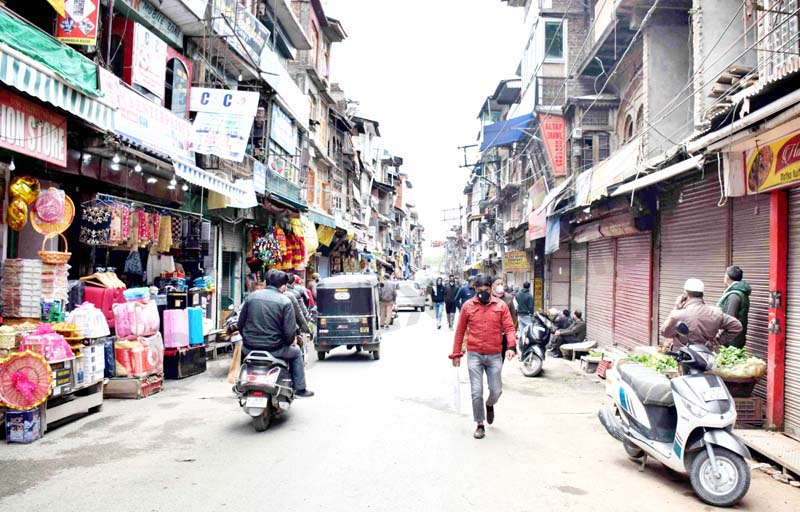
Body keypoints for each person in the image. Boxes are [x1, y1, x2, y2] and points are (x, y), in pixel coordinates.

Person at [450, 274, 517, 440]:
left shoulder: (501, 306)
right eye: (479, 291)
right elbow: (460, 331)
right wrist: (456, 353)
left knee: (496, 390)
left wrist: (511, 346)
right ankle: (480, 423)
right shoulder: (467, 307)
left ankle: (489, 404)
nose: (483, 294)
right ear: (474, 289)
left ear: (491, 289)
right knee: (476, 391)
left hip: (494, 354)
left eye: (486, 290)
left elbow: (509, 327)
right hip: (474, 354)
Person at [237, 269, 314, 397]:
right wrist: (291, 341)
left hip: (250, 347)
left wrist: (248, 339)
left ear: (266, 282)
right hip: (275, 348)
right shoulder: (285, 301)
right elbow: (289, 333)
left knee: (242, 353)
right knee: (295, 353)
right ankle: (300, 389)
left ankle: (240, 383)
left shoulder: (251, 297)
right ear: (283, 286)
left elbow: (240, 324)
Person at [661, 278, 742, 351]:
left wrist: (675, 309)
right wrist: (717, 341)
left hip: (683, 357)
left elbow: (665, 332)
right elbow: (737, 326)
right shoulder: (716, 313)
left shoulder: (678, 315)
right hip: (705, 356)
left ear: (685, 295)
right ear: (702, 294)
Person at [716, 266, 751, 349]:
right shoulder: (739, 293)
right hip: (736, 336)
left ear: (727, 277)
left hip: (732, 339)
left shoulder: (734, 296)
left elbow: (729, 319)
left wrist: (720, 337)